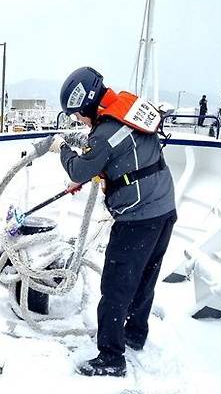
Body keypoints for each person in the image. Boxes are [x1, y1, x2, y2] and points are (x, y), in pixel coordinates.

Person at [51, 66, 176, 377]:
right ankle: (134, 334)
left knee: (116, 286)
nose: (78, 120)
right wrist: (99, 169)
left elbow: (79, 168)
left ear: (87, 104)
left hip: (138, 218)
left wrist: (63, 150)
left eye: (78, 114)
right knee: (146, 276)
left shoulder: (105, 132)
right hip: (164, 209)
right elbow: (123, 153)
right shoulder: (127, 106)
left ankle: (110, 358)